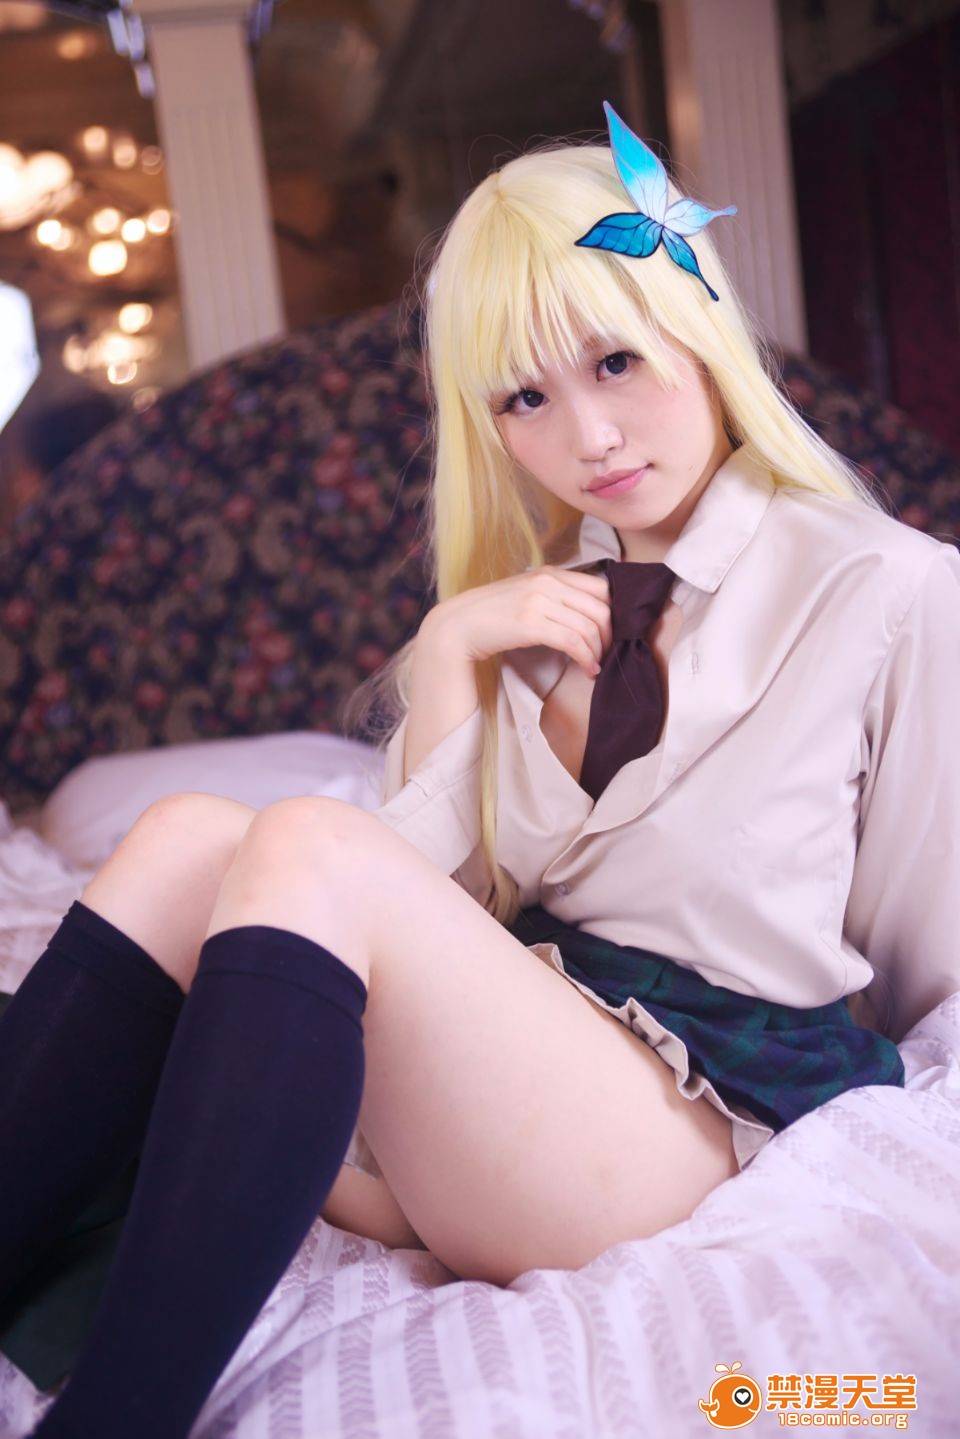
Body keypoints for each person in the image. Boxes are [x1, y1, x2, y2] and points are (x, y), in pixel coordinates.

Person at [1, 103, 957, 1438]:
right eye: (527, 397)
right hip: (519, 1087)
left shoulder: (891, 590)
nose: (590, 436)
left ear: (699, 330)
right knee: (183, 837)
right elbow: (421, 928)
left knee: (305, 839)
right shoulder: (534, 609)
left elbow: (935, 974)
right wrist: (450, 654)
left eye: (615, 361)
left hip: (693, 1122)